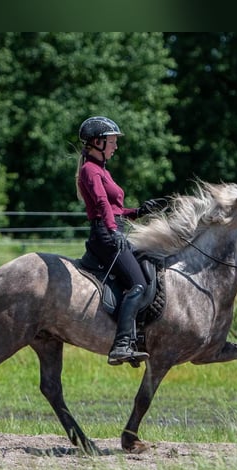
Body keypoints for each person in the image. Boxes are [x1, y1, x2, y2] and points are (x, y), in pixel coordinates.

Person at [75, 116, 165, 366]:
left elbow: (114, 208)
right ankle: (122, 344)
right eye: (112, 142)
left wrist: (138, 212)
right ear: (97, 142)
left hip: (113, 229)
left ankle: (138, 335)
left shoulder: (102, 170)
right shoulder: (90, 170)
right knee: (137, 284)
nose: (115, 146)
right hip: (106, 235)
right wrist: (114, 231)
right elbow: (102, 205)